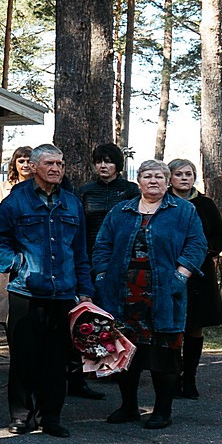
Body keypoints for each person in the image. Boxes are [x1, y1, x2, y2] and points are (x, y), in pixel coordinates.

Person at [90, 161, 208, 430]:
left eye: (159, 176)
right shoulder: (121, 210)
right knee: (125, 353)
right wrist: (102, 276)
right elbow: (102, 245)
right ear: (139, 181)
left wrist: (181, 274)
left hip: (164, 293)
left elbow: (197, 244)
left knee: (163, 355)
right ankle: (129, 407)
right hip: (122, 294)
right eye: (147, 176)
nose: (153, 180)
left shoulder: (184, 211)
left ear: (167, 182)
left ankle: (162, 410)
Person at [0, 144, 89, 439]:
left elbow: (80, 252)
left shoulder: (72, 204)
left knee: (56, 360)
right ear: (33, 167)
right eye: (50, 163)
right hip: (25, 292)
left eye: (61, 163)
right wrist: (17, 265)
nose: (57, 168)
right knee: (24, 358)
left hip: (63, 294)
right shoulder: (15, 202)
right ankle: (21, 415)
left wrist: (85, 290)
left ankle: (51, 416)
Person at [74, 145, 137, 399]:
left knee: (122, 313)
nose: (103, 166)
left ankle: (122, 362)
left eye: (109, 162)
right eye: (99, 161)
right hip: (91, 256)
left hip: (123, 258)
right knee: (94, 315)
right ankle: (94, 364)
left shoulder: (130, 190)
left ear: (118, 165)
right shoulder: (86, 192)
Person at [168, 159, 222, 399]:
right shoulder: (164, 203)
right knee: (172, 325)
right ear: (170, 177)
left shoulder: (205, 205)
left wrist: (201, 254)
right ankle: (172, 376)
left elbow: (218, 237)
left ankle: (190, 377)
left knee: (195, 325)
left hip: (199, 273)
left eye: (189, 174)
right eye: (179, 174)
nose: (184, 178)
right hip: (170, 271)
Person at [0, 146, 34, 330]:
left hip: (30, 247)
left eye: (29, 160)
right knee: (4, 296)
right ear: (14, 163)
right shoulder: (3, 187)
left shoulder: (40, 186)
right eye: (21, 161)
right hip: (7, 246)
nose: (25, 165)